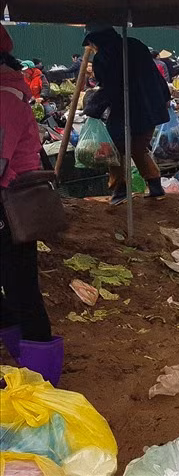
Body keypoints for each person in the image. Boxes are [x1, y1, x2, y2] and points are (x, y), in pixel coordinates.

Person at [0, 26, 62, 384]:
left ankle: (43, 379)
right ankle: (23, 360)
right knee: (12, 283)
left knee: (21, 286)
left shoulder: (5, 97)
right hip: (8, 202)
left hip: (11, 204)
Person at [83, 26, 172, 205]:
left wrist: (94, 107)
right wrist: (165, 96)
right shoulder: (134, 44)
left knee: (113, 148)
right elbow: (154, 75)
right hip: (151, 105)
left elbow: (110, 86)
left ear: (96, 41)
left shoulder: (104, 56)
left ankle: (120, 189)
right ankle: (155, 186)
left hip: (127, 108)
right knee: (138, 146)